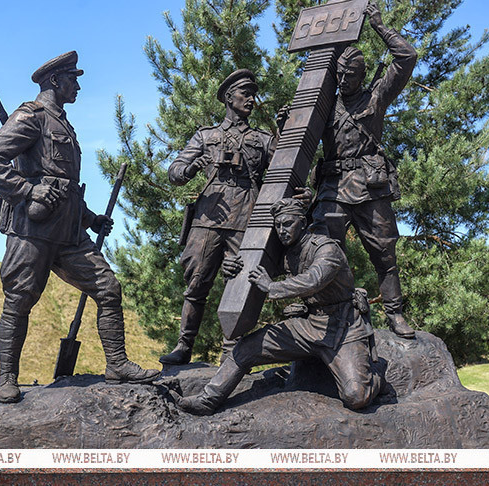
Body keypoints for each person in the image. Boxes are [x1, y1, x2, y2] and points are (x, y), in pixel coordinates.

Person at [0, 51, 159, 403]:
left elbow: (64, 184)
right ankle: (7, 378)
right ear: (55, 81)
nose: (77, 86)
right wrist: (27, 190)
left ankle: (117, 364)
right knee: (19, 300)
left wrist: (91, 219)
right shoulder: (32, 116)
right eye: (72, 79)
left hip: (70, 232)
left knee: (108, 288)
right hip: (33, 229)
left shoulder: (62, 124)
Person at [175, 197, 385, 415]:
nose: (282, 230)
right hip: (310, 325)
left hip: (343, 327)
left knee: (356, 397)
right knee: (246, 348)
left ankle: (376, 377)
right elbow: (253, 271)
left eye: (288, 224)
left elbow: (313, 280)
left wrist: (271, 287)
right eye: (278, 225)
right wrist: (231, 269)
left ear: (303, 223)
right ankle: (208, 400)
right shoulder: (287, 254)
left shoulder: (326, 249)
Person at [310, 2, 418, 338]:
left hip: (369, 186)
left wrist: (379, 26)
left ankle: (395, 314)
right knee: (322, 250)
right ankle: (325, 313)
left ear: (362, 74)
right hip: (332, 187)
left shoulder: (376, 97)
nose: (344, 80)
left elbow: (407, 57)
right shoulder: (325, 104)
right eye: (340, 74)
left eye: (350, 75)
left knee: (385, 254)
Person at [160, 69, 275, 366]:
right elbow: (174, 172)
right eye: (245, 94)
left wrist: (286, 131)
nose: (251, 100)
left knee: (240, 284)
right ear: (228, 97)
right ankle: (184, 345)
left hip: (246, 217)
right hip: (209, 216)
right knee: (196, 281)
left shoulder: (262, 139)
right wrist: (191, 168)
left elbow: (283, 169)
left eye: (253, 95)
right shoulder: (206, 135)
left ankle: (231, 351)